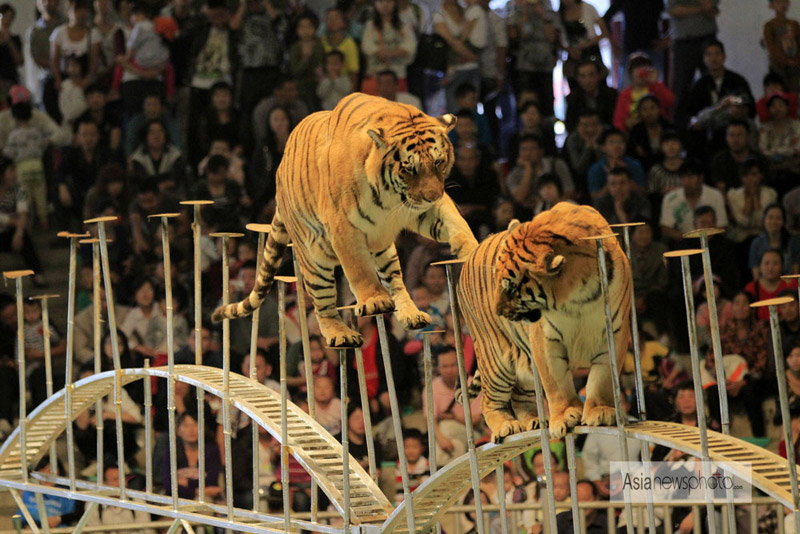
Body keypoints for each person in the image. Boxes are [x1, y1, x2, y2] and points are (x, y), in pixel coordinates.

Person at [425, 346, 481, 466]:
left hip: (473, 432)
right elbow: (430, 420)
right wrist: (442, 440)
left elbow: (476, 420)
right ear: (438, 368)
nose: (449, 370)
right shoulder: (432, 387)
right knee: (457, 445)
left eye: (453, 365)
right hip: (448, 437)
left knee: (446, 426)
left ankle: (436, 472)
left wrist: (454, 418)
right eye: (445, 366)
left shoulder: (472, 384)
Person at [683, 39, 755, 126]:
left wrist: (733, 100)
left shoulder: (737, 80)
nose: (713, 59)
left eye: (717, 54)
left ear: (724, 57)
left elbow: (747, 101)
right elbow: (691, 113)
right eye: (709, 55)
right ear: (704, 59)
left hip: (733, 126)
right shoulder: (699, 84)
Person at [116, 1, 170, 118]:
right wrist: (143, 73)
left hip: (155, 75)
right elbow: (121, 60)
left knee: (156, 117)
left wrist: (156, 71)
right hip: (133, 77)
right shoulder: (120, 32)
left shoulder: (148, 28)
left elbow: (164, 50)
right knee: (135, 116)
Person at [3, 98, 50, 229]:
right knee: (40, 194)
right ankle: (44, 220)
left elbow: (9, 152)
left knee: (25, 196)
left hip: (22, 167)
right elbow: (42, 146)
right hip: (37, 165)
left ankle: (28, 224)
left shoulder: (14, 135)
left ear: (15, 118)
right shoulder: (36, 132)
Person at [668, 0, 719, 122]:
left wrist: (691, 8)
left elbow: (711, 10)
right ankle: (679, 130)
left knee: (712, 84)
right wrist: (700, 9)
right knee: (681, 89)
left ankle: (715, 125)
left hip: (707, 37)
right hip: (684, 41)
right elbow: (675, 10)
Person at [49, 0, 100, 123]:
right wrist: (58, 80)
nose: (81, 13)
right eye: (77, 10)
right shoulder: (59, 32)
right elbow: (54, 60)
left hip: (84, 77)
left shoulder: (92, 33)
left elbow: (94, 61)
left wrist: (86, 80)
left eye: (84, 10)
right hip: (65, 76)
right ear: (69, 12)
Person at [509, 0, 561, 119]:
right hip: (525, 64)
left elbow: (552, 37)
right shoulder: (517, 12)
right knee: (526, 100)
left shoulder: (551, 13)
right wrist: (525, 14)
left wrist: (544, 16)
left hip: (545, 64)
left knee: (546, 101)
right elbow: (523, 34)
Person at [0, 157, 44, 284]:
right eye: (11, 170)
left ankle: (37, 274)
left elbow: (23, 213)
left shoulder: (19, 189)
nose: (15, 174)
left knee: (24, 237)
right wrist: (11, 220)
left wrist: (18, 233)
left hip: (10, 232)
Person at [659, 160, 727, 242]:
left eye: (691, 177)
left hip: (711, 241)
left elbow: (722, 226)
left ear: (701, 178)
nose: (687, 182)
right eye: (683, 178)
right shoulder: (670, 198)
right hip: (682, 242)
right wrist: (690, 240)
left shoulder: (715, 195)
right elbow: (665, 229)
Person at [507, 134, 573, 215]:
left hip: (557, 210)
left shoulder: (556, 165)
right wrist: (528, 169)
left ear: (541, 151)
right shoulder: (514, 174)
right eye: (524, 149)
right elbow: (519, 198)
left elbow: (569, 191)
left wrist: (546, 202)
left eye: (532, 149)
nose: (528, 153)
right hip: (528, 214)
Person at [360, 0, 416, 95]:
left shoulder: (403, 25)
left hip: (397, 75)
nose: (385, 5)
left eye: (389, 1)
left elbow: (410, 47)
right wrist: (386, 53)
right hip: (375, 75)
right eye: (381, 2)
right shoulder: (370, 25)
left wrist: (388, 53)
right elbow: (367, 46)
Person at [164, 411, 223, 500]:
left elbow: (211, 481)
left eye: (195, 424)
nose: (191, 430)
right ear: (178, 430)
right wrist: (196, 491)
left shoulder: (211, 450)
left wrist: (186, 482)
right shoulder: (171, 451)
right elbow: (168, 484)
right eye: (186, 425)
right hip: (177, 498)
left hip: (204, 498)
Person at [613, 54, 674, 132]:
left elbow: (670, 101)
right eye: (637, 67)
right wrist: (626, 124)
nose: (641, 71)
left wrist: (655, 83)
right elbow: (618, 121)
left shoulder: (656, 88)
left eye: (645, 67)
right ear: (631, 73)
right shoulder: (624, 95)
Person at [86, 463, 155, 533]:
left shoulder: (137, 500)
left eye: (122, 479)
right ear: (104, 483)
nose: (120, 483)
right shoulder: (93, 504)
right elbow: (95, 532)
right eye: (115, 479)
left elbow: (146, 530)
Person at [559, 0, 610, 90]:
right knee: (575, 90)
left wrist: (585, 45)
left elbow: (604, 32)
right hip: (573, 57)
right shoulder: (560, 14)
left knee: (600, 87)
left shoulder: (588, 8)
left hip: (592, 53)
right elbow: (558, 39)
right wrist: (569, 50)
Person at [709, 120, 770, 193]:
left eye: (740, 135)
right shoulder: (719, 160)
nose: (735, 140)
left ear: (748, 137)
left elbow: (764, 188)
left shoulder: (760, 160)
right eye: (731, 135)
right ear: (726, 138)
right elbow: (720, 188)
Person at [727, 159, 778, 246]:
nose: (750, 179)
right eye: (745, 175)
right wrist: (748, 201)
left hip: (764, 238)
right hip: (740, 240)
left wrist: (756, 200)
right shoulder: (733, 195)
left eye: (754, 174)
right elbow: (742, 222)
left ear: (761, 175)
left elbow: (762, 223)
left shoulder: (770, 194)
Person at [759, 92, 800, 194]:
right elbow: (763, 151)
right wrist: (787, 152)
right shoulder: (765, 128)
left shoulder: (796, 125)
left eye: (781, 105)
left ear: (787, 107)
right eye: (773, 106)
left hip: (794, 171)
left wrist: (776, 152)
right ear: (768, 109)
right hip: (772, 174)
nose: (777, 109)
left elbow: (797, 149)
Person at [587, 128, 645, 200]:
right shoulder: (595, 169)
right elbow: (595, 197)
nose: (617, 146)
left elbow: (642, 193)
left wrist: (626, 175)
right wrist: (611, 179)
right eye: (612, 142)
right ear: (603, 147)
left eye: (620, 142)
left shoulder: (634, 165)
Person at [749, 203, 800, 282]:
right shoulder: (757, 243)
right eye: (770, 217)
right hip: (764, 287)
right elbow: (756, 276)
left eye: (778, 218)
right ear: (764, 220)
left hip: (788, 287)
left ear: (783, 222)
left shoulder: (793, 242)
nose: (773, 221)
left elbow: (795, 274)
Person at [565, 60, 618, 132]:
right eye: (582, 76)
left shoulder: (611, 95)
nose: (587, 80)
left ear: (599, 76)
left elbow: (615, 122)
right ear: (577, 78)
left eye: (591, 75)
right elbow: (570, 125)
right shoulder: (572, 98)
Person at [745, 249, 798, 320]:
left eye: (775, 263)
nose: (770, 268)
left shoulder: (792, 284)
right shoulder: (751, 288)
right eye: (766, 263)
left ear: (782, 266)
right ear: (760, 267)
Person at [625, 94, 673, 172]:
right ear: (640, 112)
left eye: (652, 108)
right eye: (644, 109)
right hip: (644, 170)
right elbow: (632, 155)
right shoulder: (636, 131)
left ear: (659, 109)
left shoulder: (669, 127)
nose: (649, 113)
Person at [289, 14, 325, 110]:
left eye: (309, 26)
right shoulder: (295, 48)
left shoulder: (319, 45)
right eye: (302, 27)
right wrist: (305, 58)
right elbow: (295, 71)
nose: (306, 30)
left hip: (318, 87)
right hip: (301, 89)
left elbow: (321, 64)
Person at [320, 7, 360, 91]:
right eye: (330, 18)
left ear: (343, 22)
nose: (333, 21)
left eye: (336, 18)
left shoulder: (349, 43)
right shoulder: (321, 41)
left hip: (344, 84)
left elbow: (353, 71)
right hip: (325, 83)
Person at [764, 0, 800, 93]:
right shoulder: (769, 26)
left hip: (795, 66)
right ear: (771, 5)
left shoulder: (794, 24)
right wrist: (785, 60)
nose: (782, 5)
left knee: (794, 92)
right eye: (778, 2)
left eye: (784, 2)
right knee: (780, 91)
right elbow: (771, 47)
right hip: (778, 67)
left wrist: (796, 60)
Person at [0, 4, 23, 88]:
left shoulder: (15, 39)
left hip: (11, 79)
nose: (7, 21)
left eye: (10, 18)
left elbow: (19, 61)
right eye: (4, 16)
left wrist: (9, 42)